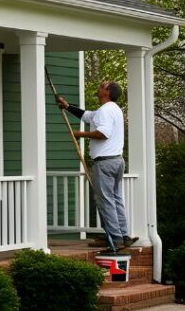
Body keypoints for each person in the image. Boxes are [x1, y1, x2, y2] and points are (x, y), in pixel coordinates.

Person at [57, 81, 138, 254]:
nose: (99, 87)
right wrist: (67, 106)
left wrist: (79, 134)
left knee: (106, 201)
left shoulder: (106, 110)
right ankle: (123, 236)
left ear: (107, 91)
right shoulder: (112, 109)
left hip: (105, 163)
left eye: (102, 86)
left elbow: (103, 133)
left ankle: (115, 240)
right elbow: (87, 116)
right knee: (115, 199)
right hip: (116, 161)